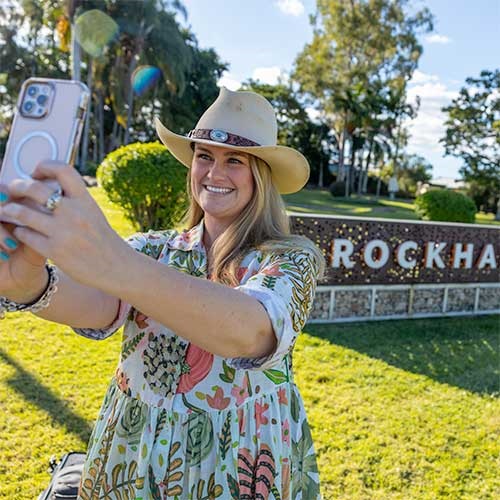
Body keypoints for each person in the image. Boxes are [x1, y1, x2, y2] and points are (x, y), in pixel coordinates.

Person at [0, 87, 325, 499]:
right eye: (204, 156)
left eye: (235, 161)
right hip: (134, 450)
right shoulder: (153, 249)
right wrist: (29, 284)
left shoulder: (291, 259)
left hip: (235, 460)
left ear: (261, 175)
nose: (214, 172)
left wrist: (114, 261)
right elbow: (100, 305)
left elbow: (252, 331)